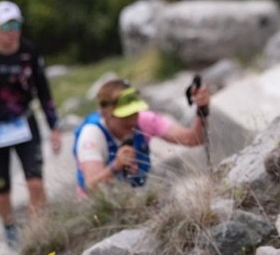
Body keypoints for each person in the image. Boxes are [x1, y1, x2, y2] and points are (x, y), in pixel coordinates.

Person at [0, 0, 62, 248]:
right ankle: (9, 226)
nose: (12, 31)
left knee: (35, 181)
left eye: (16, 25)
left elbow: (44, 92)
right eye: (6, 26)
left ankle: (39, 232)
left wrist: (54, 127)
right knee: (1, 189)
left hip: (24, 122)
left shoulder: (30, 53)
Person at [72, 78, 210, 194]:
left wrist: (201, 109)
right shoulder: (91, 135)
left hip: (134, 195)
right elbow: (90, 187)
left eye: (135, 113)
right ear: (105, 114)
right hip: (98, 211)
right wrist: (116, 166)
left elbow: (192, 139)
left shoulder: (144, 119)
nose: (132, 121)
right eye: (124, 116)